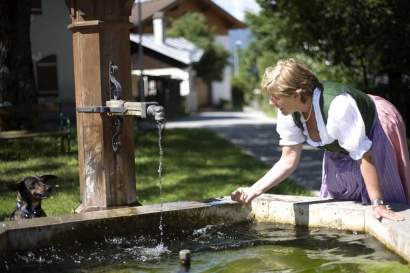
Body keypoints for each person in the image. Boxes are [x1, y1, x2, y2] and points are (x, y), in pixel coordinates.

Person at [231, 58, 410, 221]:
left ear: (296, 94)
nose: (271, 102)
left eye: (276, 97)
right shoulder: (289, 112)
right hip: (342, 137)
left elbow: (365, 155)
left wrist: (378, 203)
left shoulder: (337, 107)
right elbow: (288, 160)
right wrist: (253, 190)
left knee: (383, 193)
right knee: (340, 194)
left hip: (376, 123)